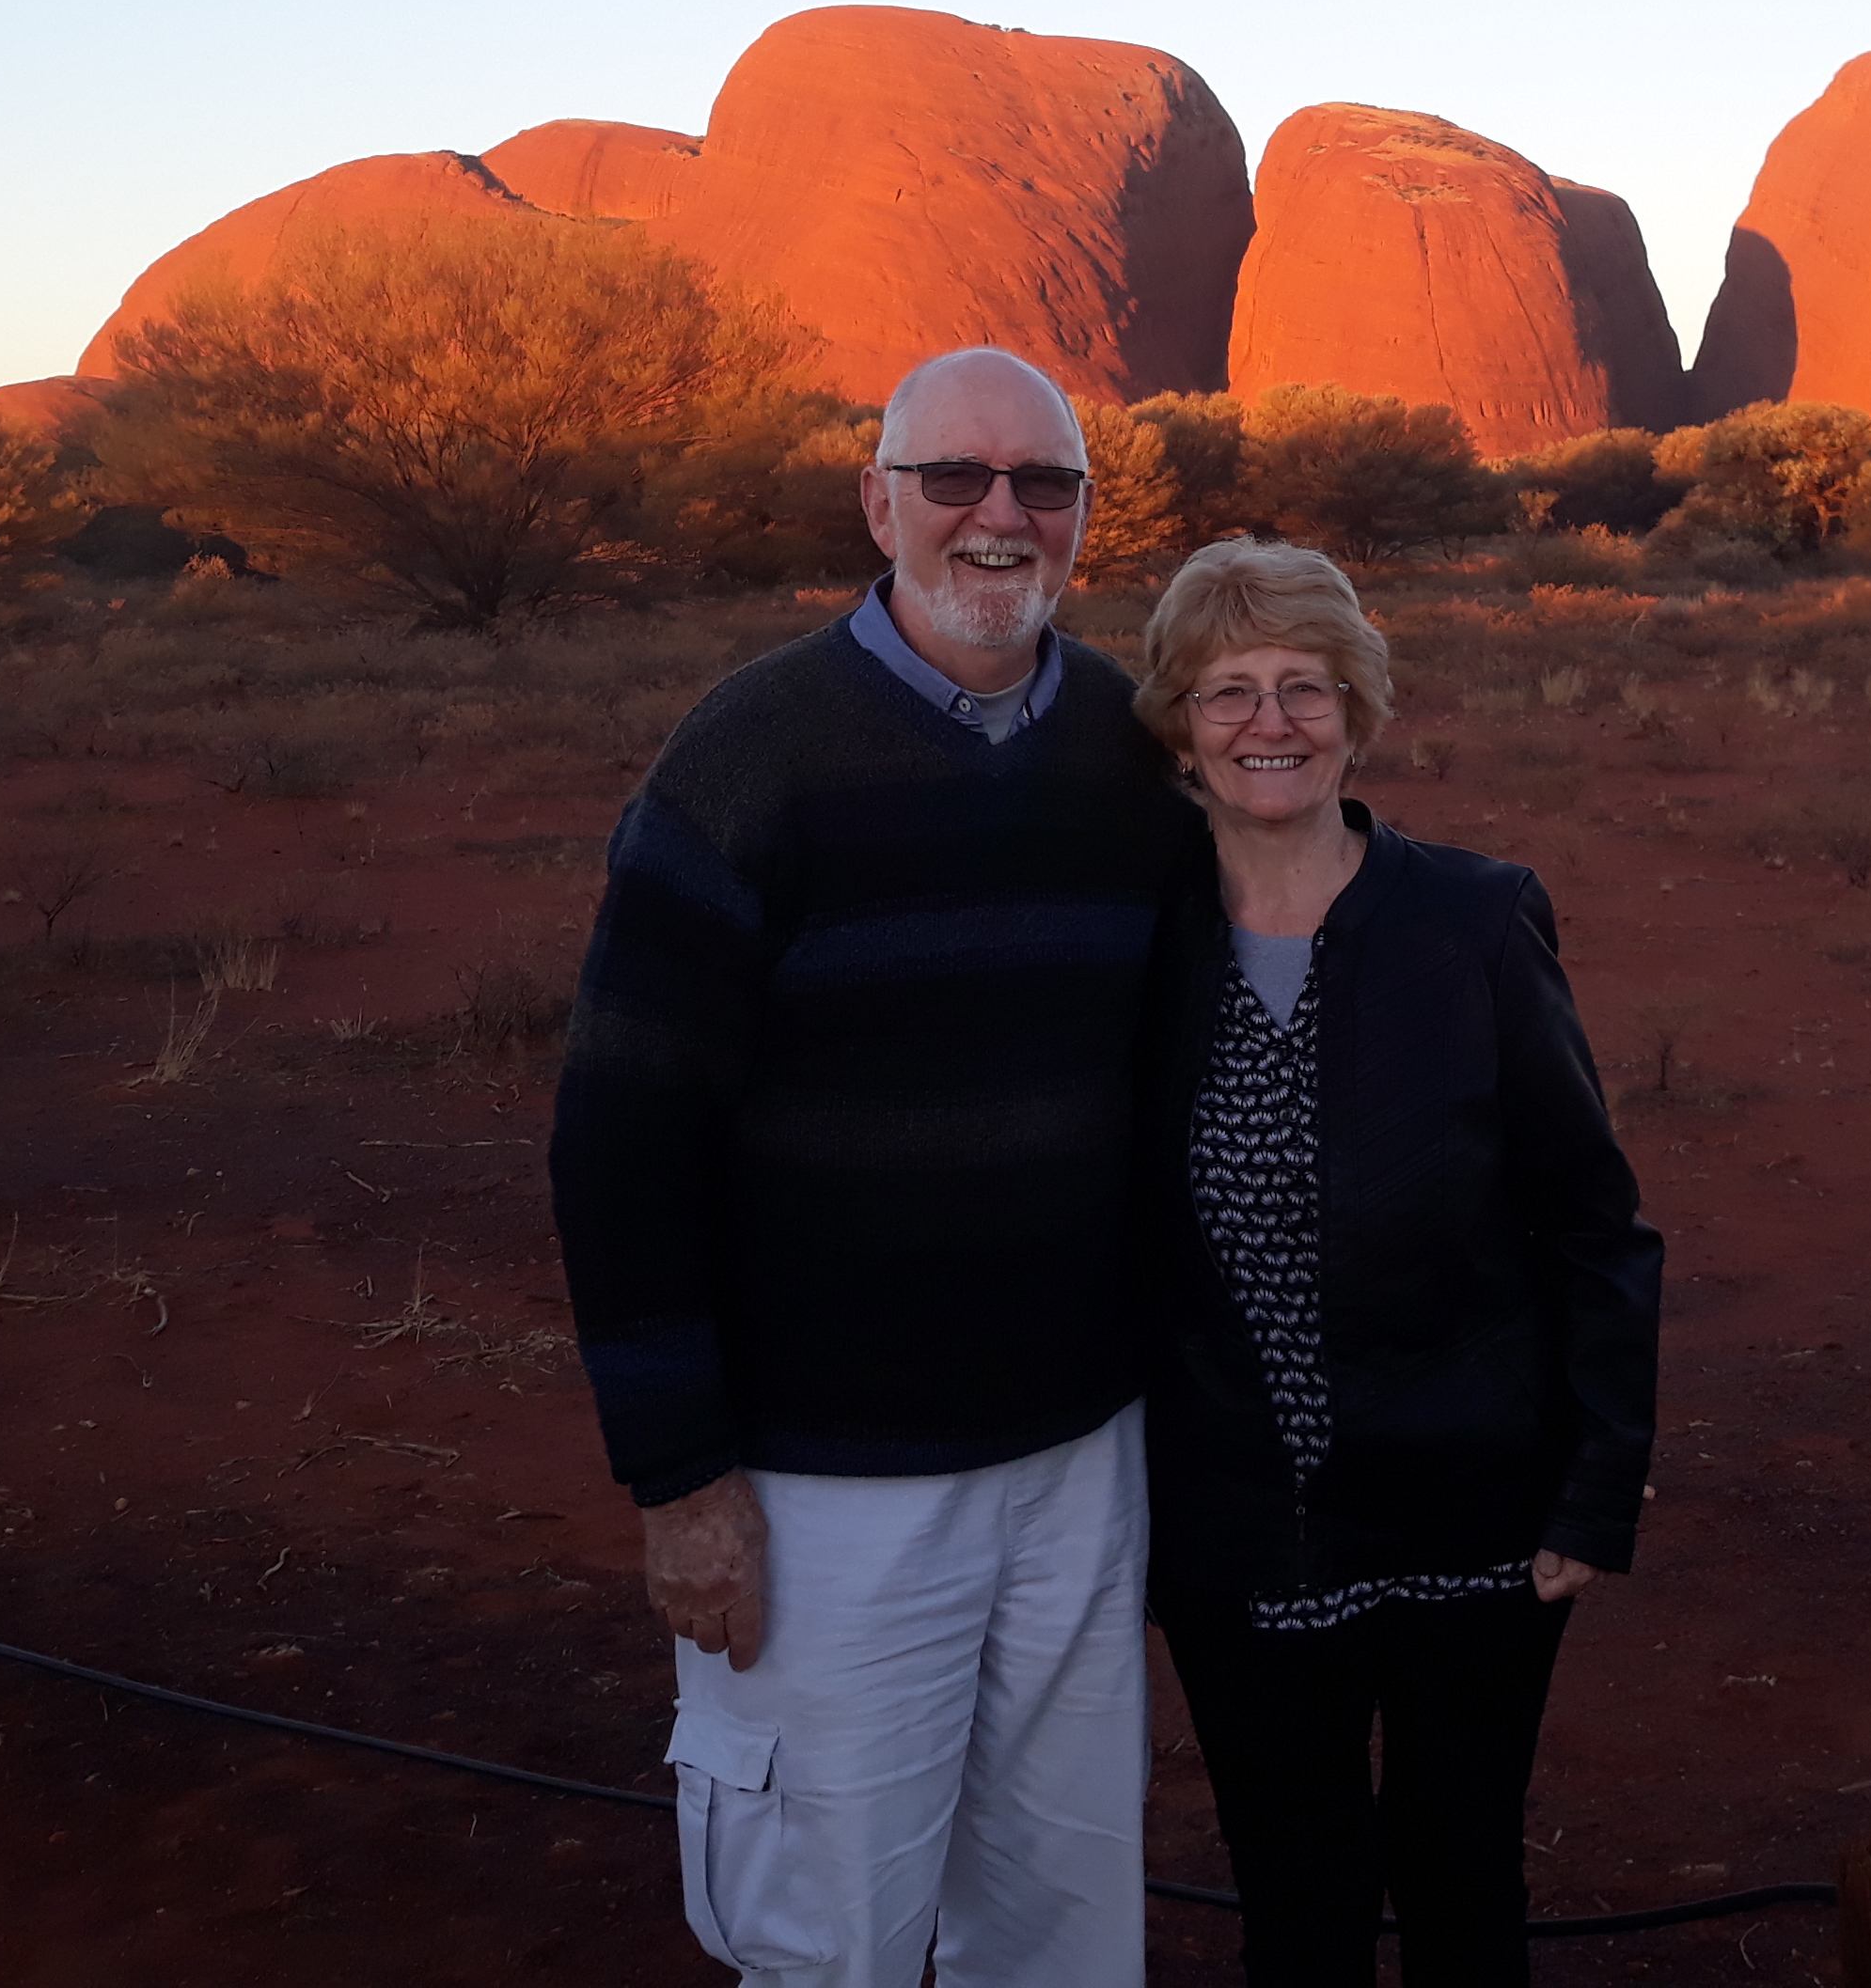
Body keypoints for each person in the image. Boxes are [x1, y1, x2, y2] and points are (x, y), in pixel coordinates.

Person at [550, 346, 1203, 1988]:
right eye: (954, 478)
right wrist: (680, 1477)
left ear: (1086, 513)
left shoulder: (1129, 749)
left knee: (1062, 1920)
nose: (1000, 517)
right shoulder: (751, 754)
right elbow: (623, 1130)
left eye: (1043, 483)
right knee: (830, 1927)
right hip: (825, 1486)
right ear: (878, 502)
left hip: (1079, 1457)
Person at [1132, 540, 1662, 1987]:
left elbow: (1592, 1220)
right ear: (1180, 726)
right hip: (1242, 1519)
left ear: (1357, 713)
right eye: (1229, 691)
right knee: (1295, 1891)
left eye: (1305, 686)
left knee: (1460, 1873)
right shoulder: (1141, 943)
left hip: (1470, 1502)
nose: (1270, 722)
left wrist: (1597, 1482)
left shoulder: (1472, 919)